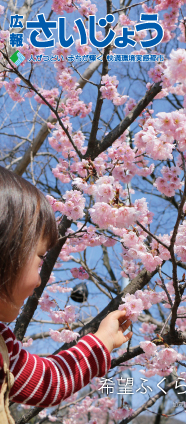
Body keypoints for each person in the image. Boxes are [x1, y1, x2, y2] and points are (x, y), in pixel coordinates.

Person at [0, 166, 132, 408]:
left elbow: (48, 381)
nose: (40, 280)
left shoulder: (4, 350)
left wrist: (102, 340)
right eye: (40, 258)